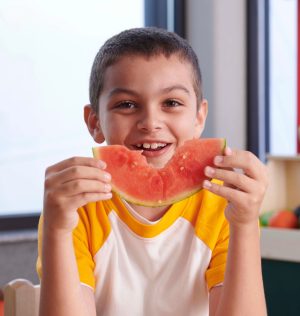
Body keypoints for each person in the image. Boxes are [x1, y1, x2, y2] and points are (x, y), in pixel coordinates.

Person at [36, 27, 268, 316]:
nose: (150, 122)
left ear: (199, 117)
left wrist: (245, 226)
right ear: (94, 122)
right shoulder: (75, 210)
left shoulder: (223, 207)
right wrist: (57, 229)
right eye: (127, 105)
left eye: (171, 103)